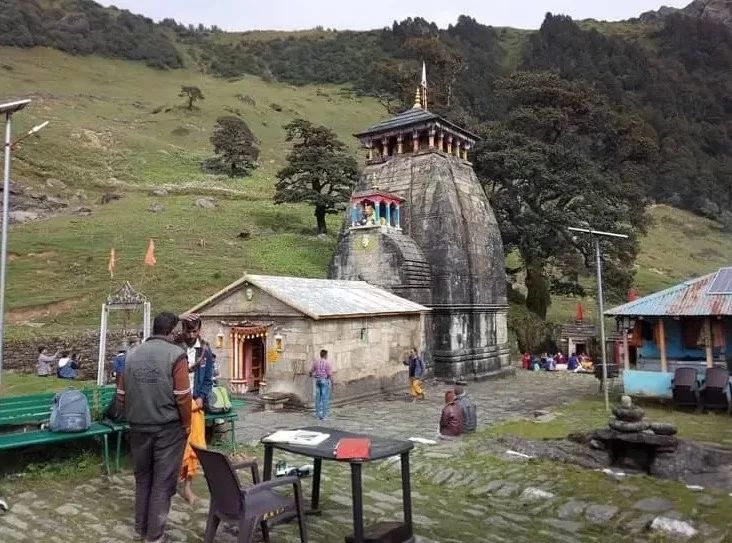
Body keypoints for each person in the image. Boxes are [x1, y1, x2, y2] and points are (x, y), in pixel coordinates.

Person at [116, 312, 192, 543]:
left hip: (138, 427)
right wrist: (187, 424)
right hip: (167, 428)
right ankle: (155, 535)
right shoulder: (176, 355)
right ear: (171, 332)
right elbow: (182, 396)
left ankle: (140, 528)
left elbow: (120, 395)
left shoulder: (131, 354)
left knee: (143, 478)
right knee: (163, 481)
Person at [176, 316, 214, 505]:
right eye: (188, 331)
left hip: (195, 405)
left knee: (193, 448)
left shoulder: (205, 351)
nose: (191, 335)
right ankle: (169, 482)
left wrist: (201, 397)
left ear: (200, 329)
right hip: (176, 404)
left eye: (194, 331)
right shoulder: (175, 347)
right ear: (182, 329)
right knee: (175, 446)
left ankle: (188, 488)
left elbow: (208, 380)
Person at [309, 349, 332, 420]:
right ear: (325, 355)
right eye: (327, 355)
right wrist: (327, 379)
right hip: (324, 380)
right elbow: (329, 374)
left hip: (317, 381)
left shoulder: (316, 362)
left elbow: (311, 371)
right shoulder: (327, 363)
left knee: (318, 398)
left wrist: (312, 375)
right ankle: (324, 416)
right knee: (324, 398)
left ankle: (317, 415)